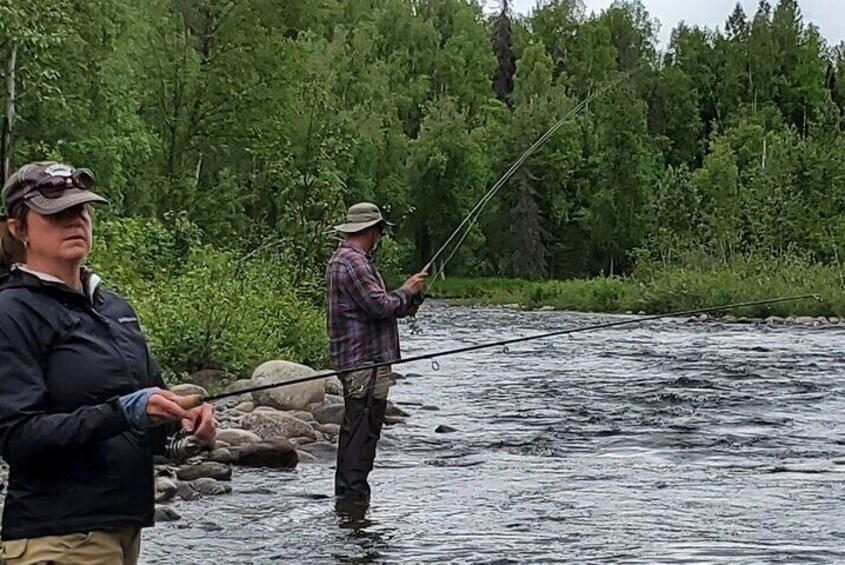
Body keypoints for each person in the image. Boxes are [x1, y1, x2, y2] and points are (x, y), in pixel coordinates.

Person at [0, 161, 216, 564]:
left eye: (80, 210)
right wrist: (123, 412)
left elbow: (149, 414)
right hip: (55, 539)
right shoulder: (11, 313)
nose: (74, 221)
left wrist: (182, 424)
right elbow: (19, 438)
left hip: (123, 530)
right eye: (56, 214)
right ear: (18, 229)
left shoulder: (113, 307)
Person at [326, 202, 426, 507]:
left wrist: (410, 300)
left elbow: (380, 309)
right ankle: (353, 499)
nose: (380, 237)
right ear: (371, 231)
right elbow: (380, 305)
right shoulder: (352, 263)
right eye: (380, 231)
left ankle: (350, 501)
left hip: (365, 360)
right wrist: (407, 289)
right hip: (364, 362)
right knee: (362, 430)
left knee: (361, 428)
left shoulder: (346, 261)